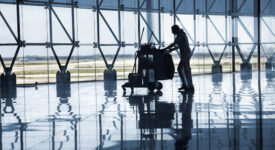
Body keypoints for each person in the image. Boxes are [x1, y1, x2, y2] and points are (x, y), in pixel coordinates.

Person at [161, 25, 194, 91]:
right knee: (180, 68)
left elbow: (174, 44)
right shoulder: (180, 35)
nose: (172, 32)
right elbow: (178, 46)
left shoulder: (181, 35)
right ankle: (185, 85)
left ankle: (190, 86)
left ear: (176, 30)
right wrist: (170, 50)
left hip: (186, 54)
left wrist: (165, 48)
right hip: (185, 54)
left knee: (186, 69)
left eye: (172, 31)